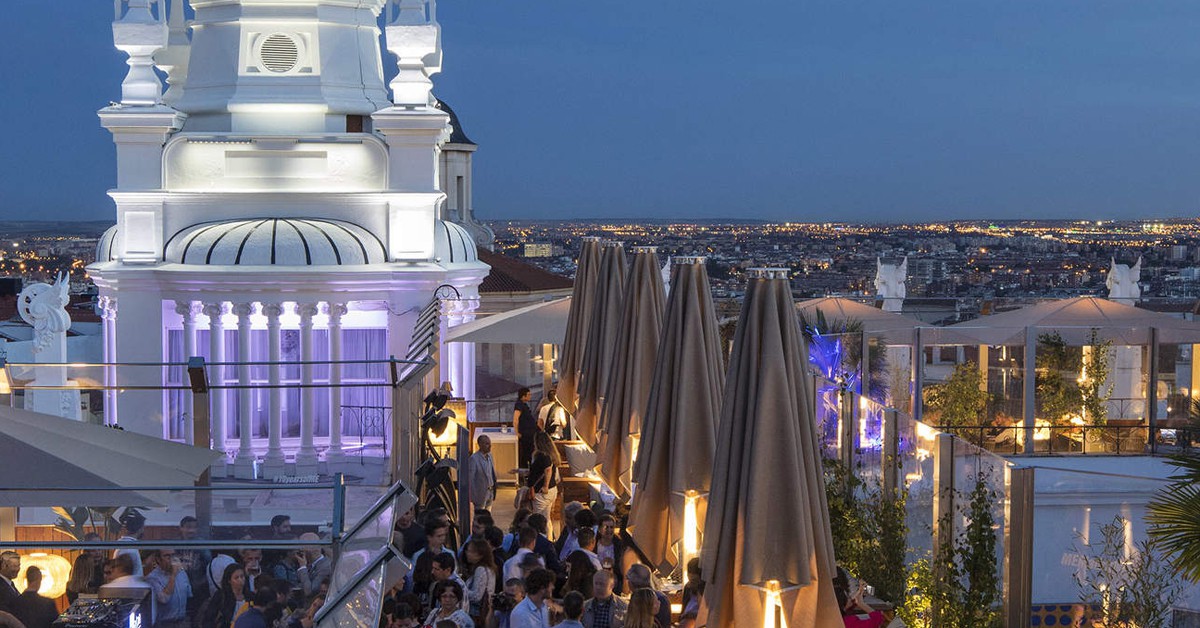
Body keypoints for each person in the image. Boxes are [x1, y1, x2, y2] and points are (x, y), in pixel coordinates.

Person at [146, 549, 192, 628]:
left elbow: (189, 595)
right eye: (167, 556)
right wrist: (173, 575)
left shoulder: (182, 573)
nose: (171, 559)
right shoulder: (153, 578)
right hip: (164, 624)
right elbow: (164, 599)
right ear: (158, 559)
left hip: (183, 622)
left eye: (173, 555)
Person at [201, 562, 249, 628]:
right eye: (236, 578)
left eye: (242, 576)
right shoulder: (221, 596)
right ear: (229, 581)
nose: (240, 580)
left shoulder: (250, 596)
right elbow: (209, 618)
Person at [462, 539, 496, 623]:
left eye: (470, 551)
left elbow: (476, 596)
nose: (467, 553)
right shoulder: (489, 569)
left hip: (476, 614)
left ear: (479, 555)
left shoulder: (481, 570)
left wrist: (461, 590)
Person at [594, 515, 625, 593]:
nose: (609, 530)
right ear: (599, 529)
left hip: (614, 582)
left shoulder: (619, 544)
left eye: (611, 527)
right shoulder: (594, 543)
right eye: (606, 527)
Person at [468, 435, 498, 512]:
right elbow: (471, 479)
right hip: (480, 494)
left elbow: (492, 473)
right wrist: (474, 496)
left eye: (490, 443)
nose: (490, 446)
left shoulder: (490, 456)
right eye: (487, 444)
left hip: (490, 491)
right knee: (480, 516)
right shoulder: (474, 459)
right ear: (480, 445)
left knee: (488, 515)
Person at [297, 532, 330, 597]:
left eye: (301, 551)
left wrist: (302, 567)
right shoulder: (310, 565)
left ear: (308, 552)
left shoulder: (325, 567)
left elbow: (309, 592)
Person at [114, 510, 146, 577]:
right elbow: (125, 574)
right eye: (143, 527)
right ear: (140, 529)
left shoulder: (126, 545)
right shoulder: (129, 548)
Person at [513, 388, 537, 468]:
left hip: (530, 432)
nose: (530, 396)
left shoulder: (524, 405)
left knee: (530, 451)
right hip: (526, 433)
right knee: (527, 452)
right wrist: (517, 432)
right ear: (523, 396)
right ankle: (525, 468)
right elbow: (515, 419)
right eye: (528, 395)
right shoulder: (519, 405)